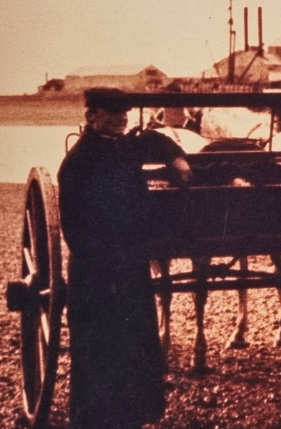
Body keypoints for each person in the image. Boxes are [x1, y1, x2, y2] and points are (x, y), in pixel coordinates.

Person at [58, 88, 192, 429]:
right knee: (98, 346)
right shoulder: (77, 162)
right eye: (113, 113)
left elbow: (154, 141)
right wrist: (109, 270)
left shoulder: (122, 147)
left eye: (124, 114)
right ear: (91, 117)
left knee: (135, 342)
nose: (122, 119)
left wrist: (176, 156)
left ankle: (133, 417)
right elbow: (75, 230)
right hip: (96, 272)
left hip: (129, 262)